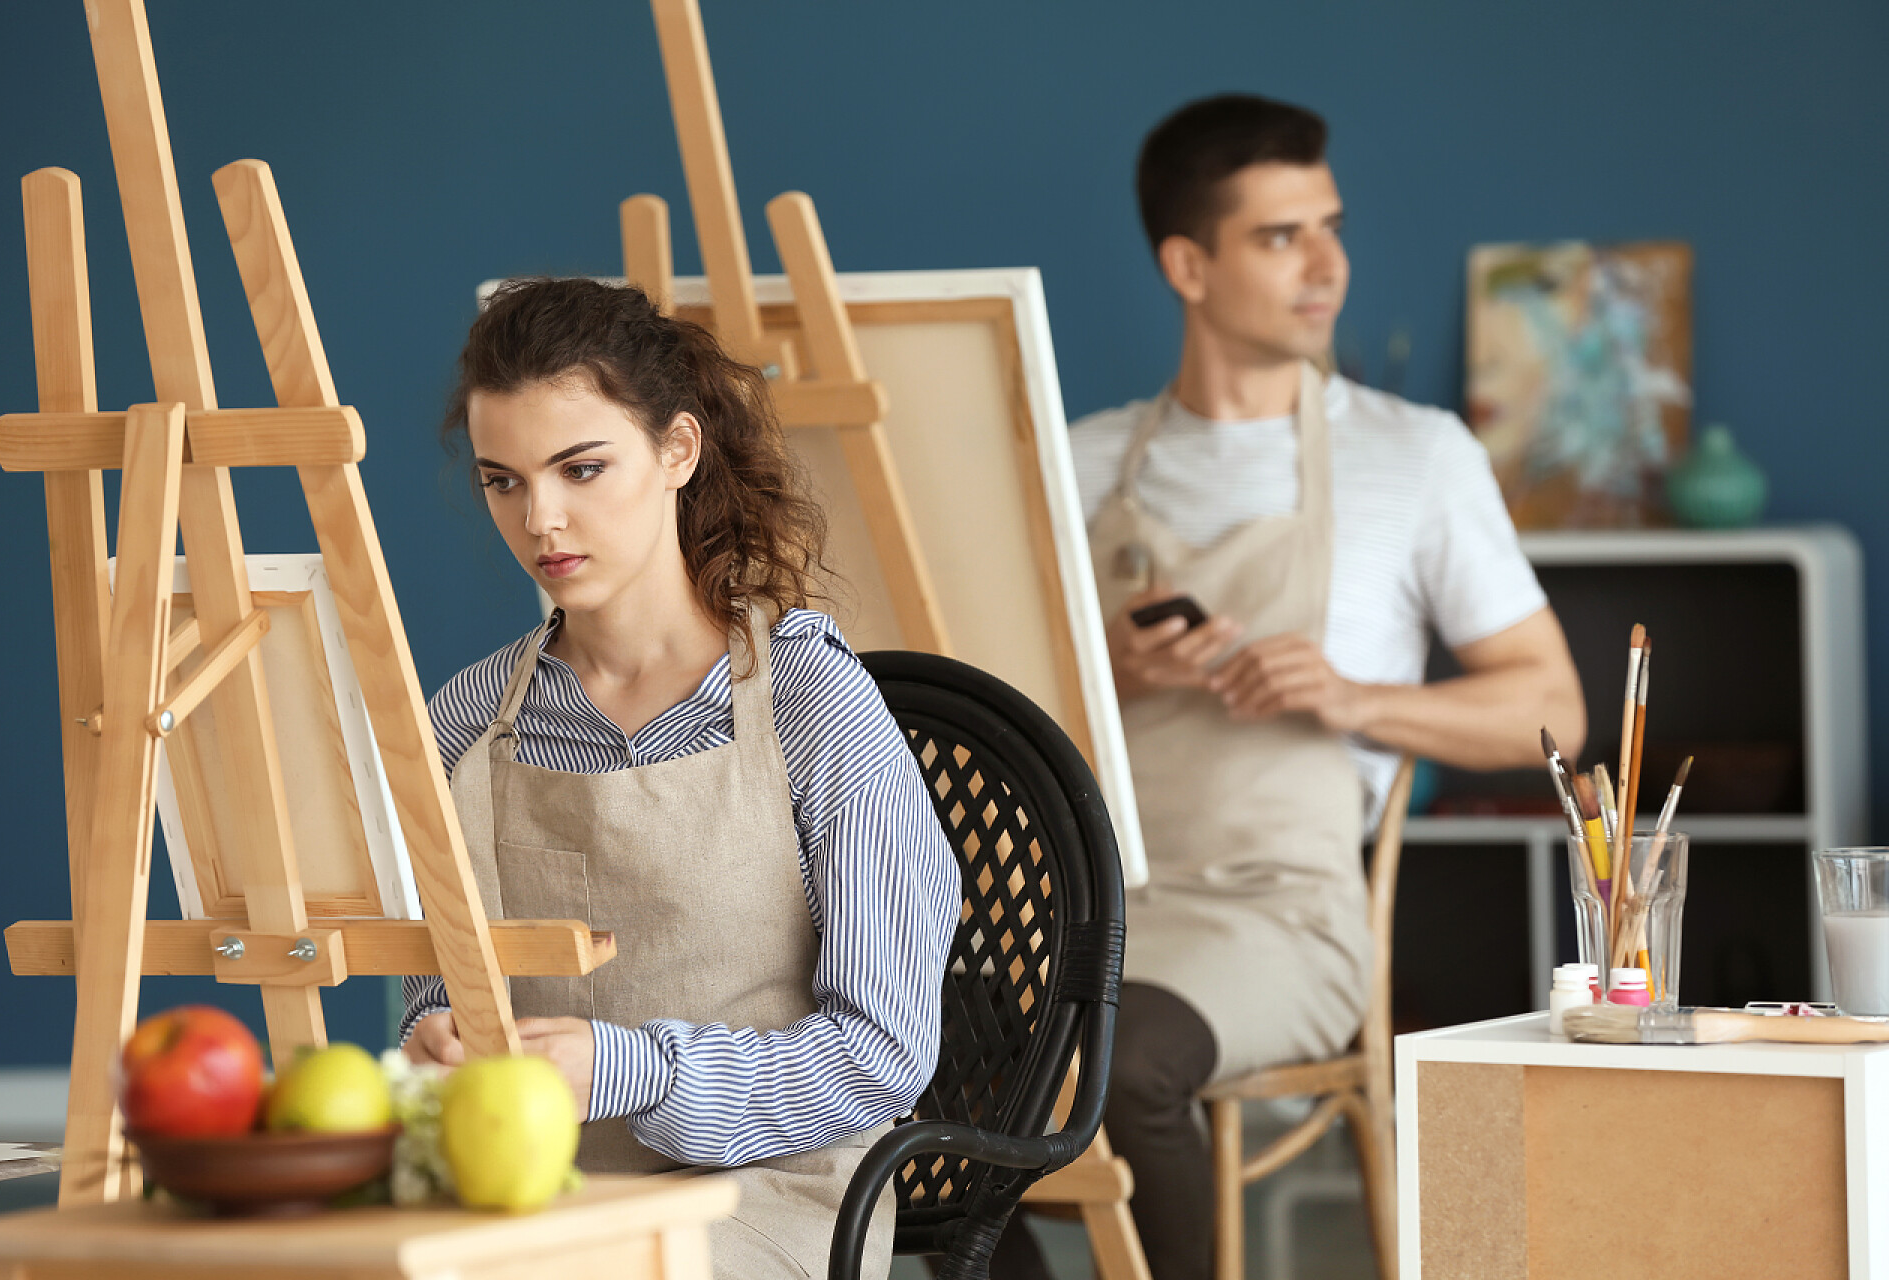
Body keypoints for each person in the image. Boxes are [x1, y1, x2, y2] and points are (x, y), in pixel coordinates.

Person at [1045, 95, 1588, 1279]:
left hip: (1282, 916)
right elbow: (993, 709)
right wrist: (1110, 672)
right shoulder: (1075, 461)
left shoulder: (1417, 453)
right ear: (1188, 264)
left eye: (1329, 226)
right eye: (1281, 236)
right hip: (1087, 906)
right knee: (912, 1057)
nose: (1328, 265)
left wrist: (1352, 697)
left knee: (1119, 1062)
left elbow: (1555, 711)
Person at [398, 277, 960, 1279]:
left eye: (581, 467)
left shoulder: (810, 706)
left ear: (677, 451)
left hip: (769, 1197)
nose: (544, 518)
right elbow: (434, 982)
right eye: (504, 480)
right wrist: (434, 1033)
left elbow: (880, 1052)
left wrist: (623, 1067)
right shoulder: (463, 722)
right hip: (530, 1197)